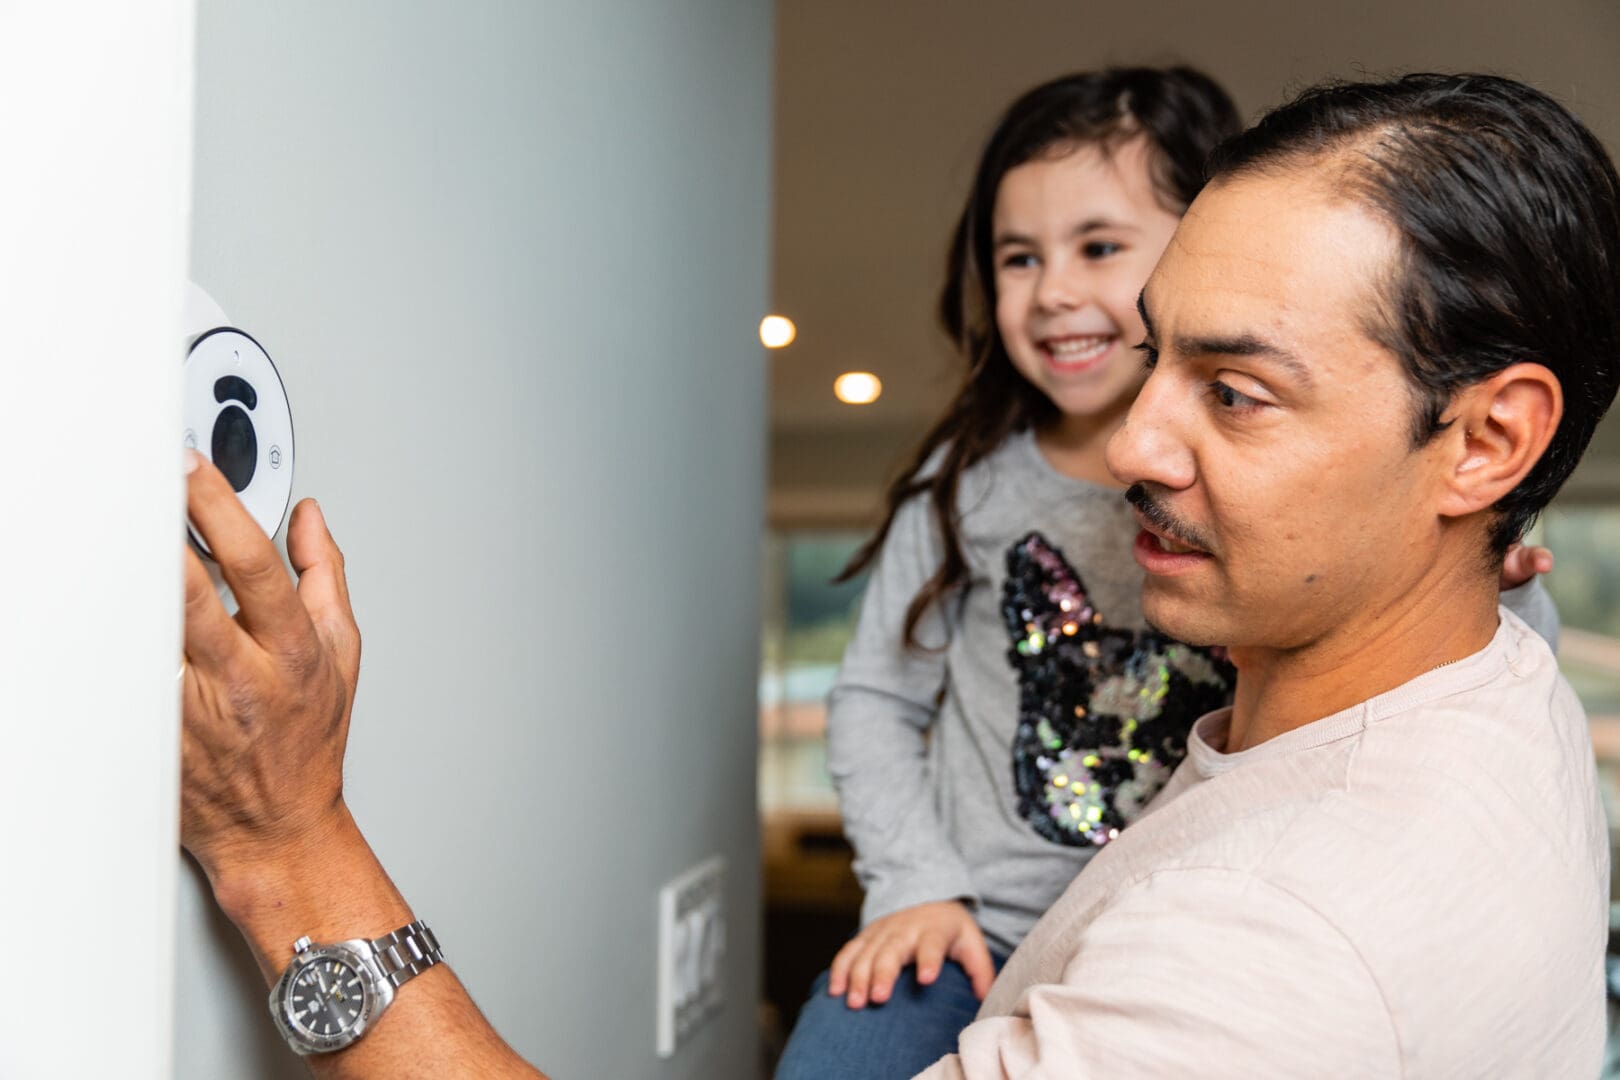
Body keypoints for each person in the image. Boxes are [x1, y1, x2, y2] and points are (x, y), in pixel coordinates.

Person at [178, 70, 1613, 1077]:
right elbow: (882, 698)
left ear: (1488, 445)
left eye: (1236, 391)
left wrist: (290, 846)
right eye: (1155, 346)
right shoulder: (1486, 682)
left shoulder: (1288, 947)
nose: (1133, 449)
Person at [774, 67, 1557, 1080]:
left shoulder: (1289, 506)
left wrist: (1500, 575)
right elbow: (877, 696)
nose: (1054, 289)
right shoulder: (965, 482)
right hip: (972, 936)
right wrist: (915, 886)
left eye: (1099, 247)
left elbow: (1441, 658)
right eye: (1018, 257)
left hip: (1174, 923)